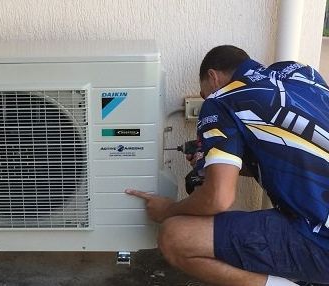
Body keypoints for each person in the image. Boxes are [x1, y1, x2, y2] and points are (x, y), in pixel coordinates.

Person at [126, 45, 329, 286]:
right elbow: (292, 154)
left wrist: (167, 209)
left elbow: (219, 199)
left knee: (175, 236)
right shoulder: (300, 74)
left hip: (320, 239)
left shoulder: (221, 101)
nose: (206, 99)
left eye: (204, 94)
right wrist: (216, 163)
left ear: (213, 77)